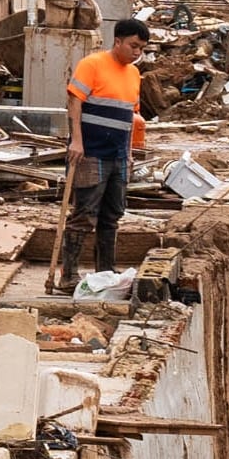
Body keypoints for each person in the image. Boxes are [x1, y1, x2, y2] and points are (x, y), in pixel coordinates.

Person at [60, 17, 150, 290]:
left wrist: (130, 152)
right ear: (118, 41)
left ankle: (106, 272)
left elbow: (129, 116)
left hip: (118, 155)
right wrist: (77, 141)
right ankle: (68, 275)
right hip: (91, 152)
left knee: (112, 215)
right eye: (133, 46)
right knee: (84, 215)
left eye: (141, 48)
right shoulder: (93, 65)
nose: (137, 52)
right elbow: (75, 102)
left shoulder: (134, 74)